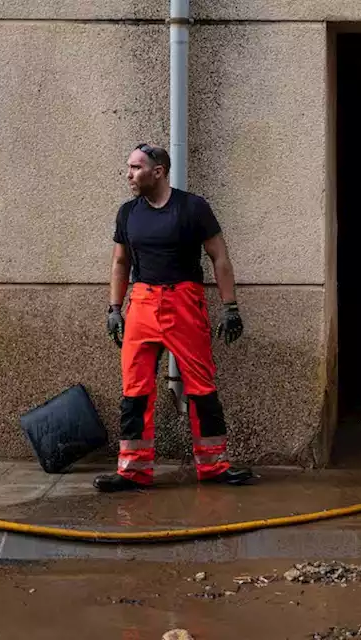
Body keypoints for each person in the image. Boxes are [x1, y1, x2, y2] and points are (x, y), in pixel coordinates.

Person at [97, 142, 254, 492]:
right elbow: (121, 263)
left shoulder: (193, 208)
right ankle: (133, 472)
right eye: (129, 167)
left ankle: (214, 466)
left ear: (159, 171)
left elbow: (220, 257)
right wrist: (113, 309)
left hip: (184, 302)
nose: (129, 174)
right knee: (135, 390)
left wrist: (230, 307)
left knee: (201, 387)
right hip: (141, 303)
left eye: (136, 168)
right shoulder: (127, 213)